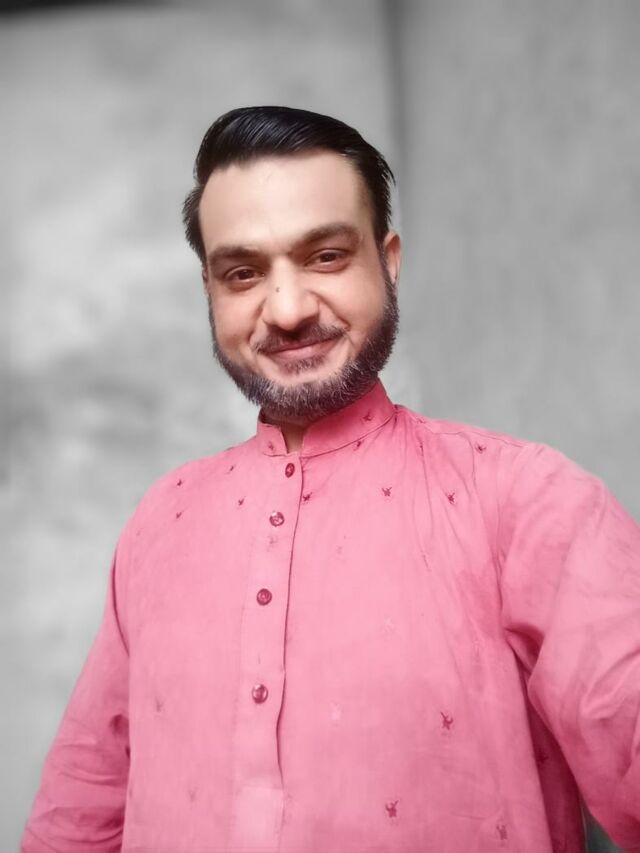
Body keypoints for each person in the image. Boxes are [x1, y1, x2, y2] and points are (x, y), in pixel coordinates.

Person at [22, 106, 639, 853]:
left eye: (325, 257)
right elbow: (79, 813)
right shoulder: (160, 522)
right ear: (209, 290)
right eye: (243, 273)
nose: (286, 311)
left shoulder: (527, 500)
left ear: (389, 260)